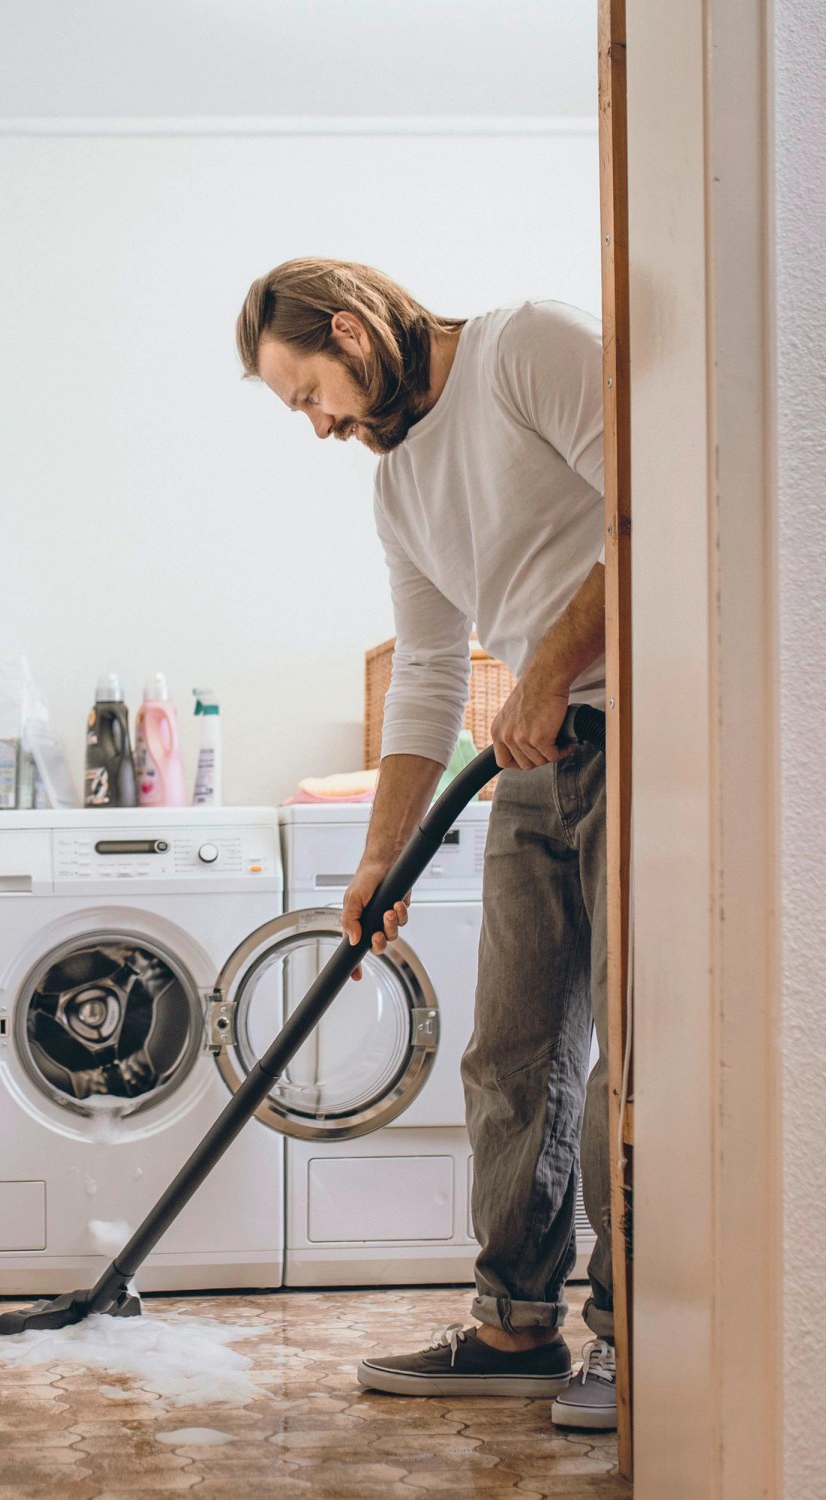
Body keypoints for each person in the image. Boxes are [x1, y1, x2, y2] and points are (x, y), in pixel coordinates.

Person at [236, 259, 615, 1432]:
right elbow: (429, 686)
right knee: (511, 1056)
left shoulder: (528, 349)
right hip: (527, 774)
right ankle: (515, 1326)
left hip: (647, 742)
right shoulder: (399, 488)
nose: (318, 427)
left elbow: (661, 507)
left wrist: (549, 668)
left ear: (352, 332)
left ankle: (639, 1343)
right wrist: (375, 863)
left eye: (311, 394)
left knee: (637, 1069)